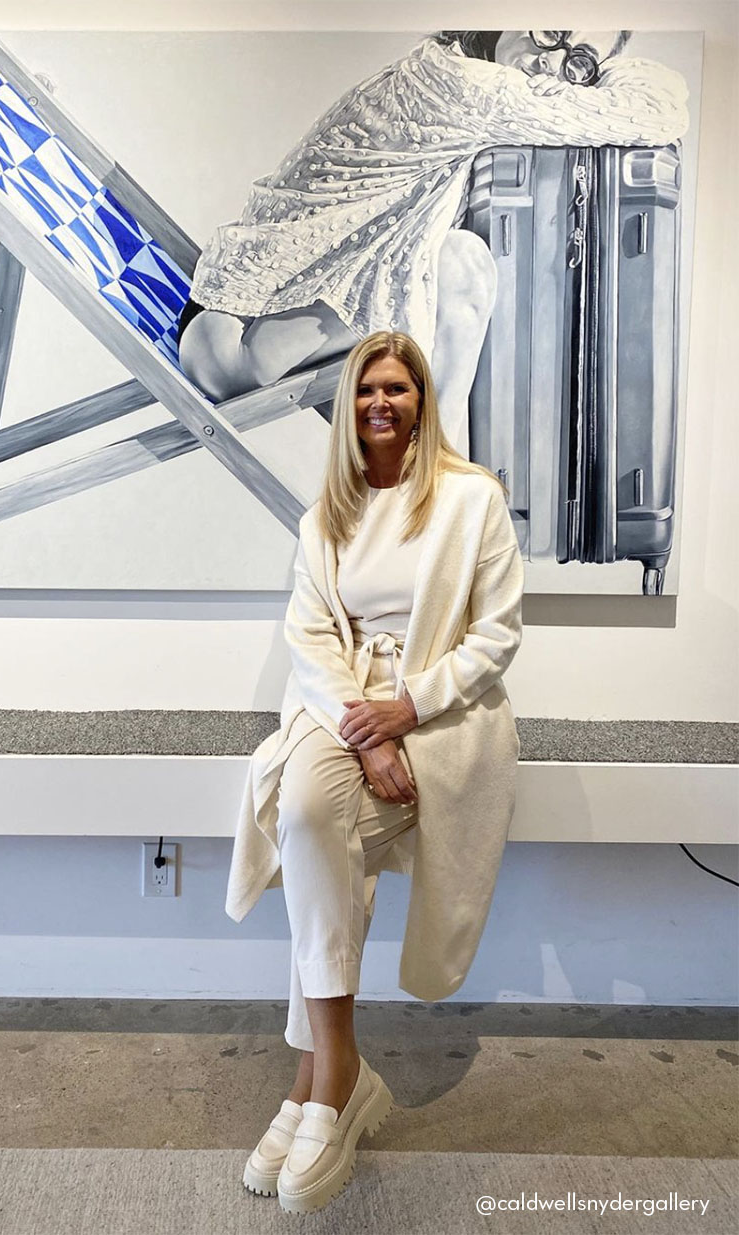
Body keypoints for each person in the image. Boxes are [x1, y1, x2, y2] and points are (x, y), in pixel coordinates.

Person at [226, 330, 524, 1214]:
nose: (379, 403)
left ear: (422, 400)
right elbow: (309, 634)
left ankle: (316, 1083)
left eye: (396, 388)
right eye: (365, 390)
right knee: (306, 814)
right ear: (347, 405)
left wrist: (410, 708)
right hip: (342, 709)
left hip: (441, 712)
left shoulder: (472, 498)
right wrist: (367, 732)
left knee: (321, 845)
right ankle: (341, 1071)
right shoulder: (328, 514)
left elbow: (497, 635)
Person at [177, 28, 687, 448]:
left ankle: (433, 481)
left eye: (577, 61)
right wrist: (602, 78)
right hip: (232, 349)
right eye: (549, 32)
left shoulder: (451, 63)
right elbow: (658, 111)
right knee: (461, 269)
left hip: (254, 327)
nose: (549, 63)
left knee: (459, 259)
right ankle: (437, 487)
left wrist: (590, 69)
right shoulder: (466, 86)